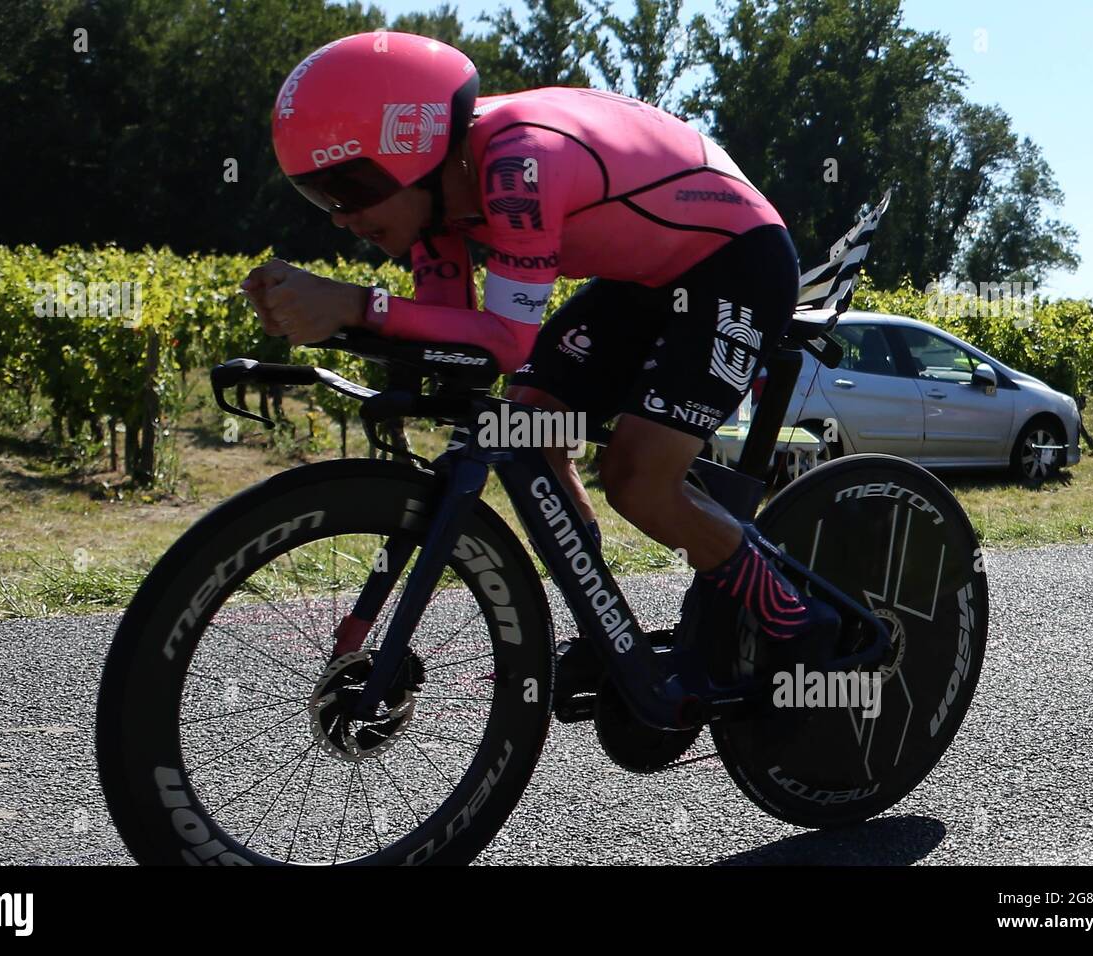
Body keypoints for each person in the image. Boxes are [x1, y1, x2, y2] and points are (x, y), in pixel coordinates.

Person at [242, 31, 839, 672]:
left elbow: (503, 341)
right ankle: (609, 628)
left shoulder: (517, 161)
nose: (341, 216)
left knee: (637, 481)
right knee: (526, 425)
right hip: (646, 280)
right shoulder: (435, 202)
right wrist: (333, 323)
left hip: (738, 261)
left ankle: (797, 619)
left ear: (413, 143)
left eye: (352, 186)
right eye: (321, 195)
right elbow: (454, 339)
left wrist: (359, 306)